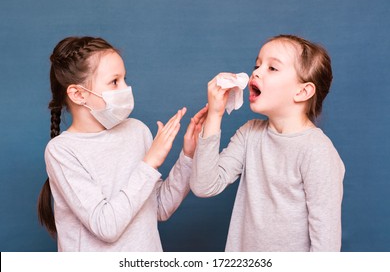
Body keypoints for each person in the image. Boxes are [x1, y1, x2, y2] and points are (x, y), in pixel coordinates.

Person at [37, 36, 207, 251]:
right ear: (78, 94)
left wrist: (188, 156)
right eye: (114, 81)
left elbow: (159, 208)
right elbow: (106, 226)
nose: (126, 88)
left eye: (125, 79)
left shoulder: (136, 130)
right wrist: (149, 163)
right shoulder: (62, 151)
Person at [190, 34, 345, 251]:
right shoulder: (250, 134)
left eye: (272, 68)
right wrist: (215, 115)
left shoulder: (317, 151)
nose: (256, 72)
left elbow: (326, 245)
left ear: (302, 91)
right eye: (257, 65)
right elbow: (203, 185)